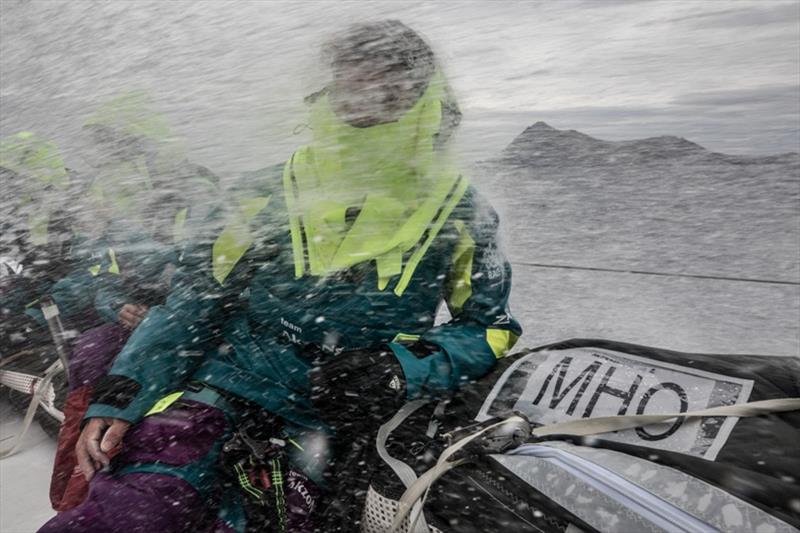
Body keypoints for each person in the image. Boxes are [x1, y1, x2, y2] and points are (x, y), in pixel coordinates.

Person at [39, 20, 521, 533]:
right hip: (228, 387)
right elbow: (195, 301)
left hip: (347, 416)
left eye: (387, 87)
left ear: (423, 98)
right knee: (131, 509)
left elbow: (490, 327)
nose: (363, 102)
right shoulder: (263, 193)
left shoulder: (461, 213)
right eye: (349, 85)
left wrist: (399, 367)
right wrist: (124, 395)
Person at [45, 92, 220, 512]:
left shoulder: (195, 188)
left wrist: (162, 310)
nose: (107, 157)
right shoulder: (110, 197)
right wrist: (116, 305)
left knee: (120, 359)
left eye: (116, 144)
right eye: (103, 148)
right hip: (136, 318)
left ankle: (98, 481)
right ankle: (80, 476)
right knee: (93, 351)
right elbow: (98, 274)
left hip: (190, 318)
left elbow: (209, 273)